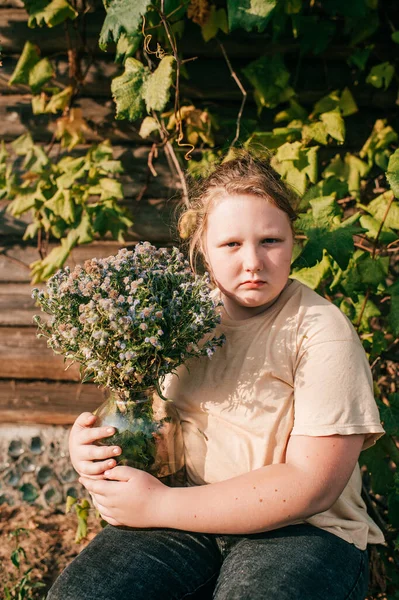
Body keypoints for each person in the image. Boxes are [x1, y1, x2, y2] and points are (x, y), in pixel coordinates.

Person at [47, 152, 385, 600]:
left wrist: (159, 504)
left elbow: (312, 486)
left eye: (270, 240)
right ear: (202, 249)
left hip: (301, 532)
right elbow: (150, 421)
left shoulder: (320, 330)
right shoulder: (179, 319)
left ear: (294, 242)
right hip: (184, 521)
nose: (253, 262)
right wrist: (90, 448)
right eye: (230, 244)